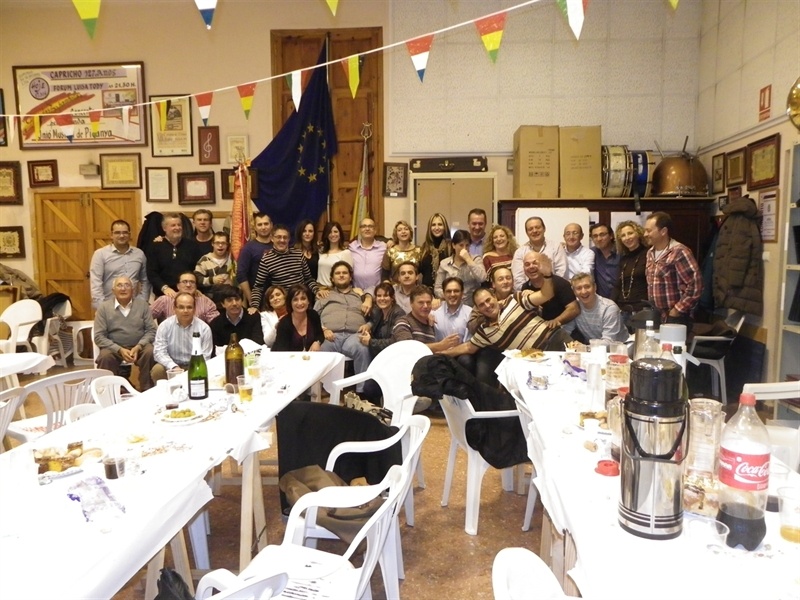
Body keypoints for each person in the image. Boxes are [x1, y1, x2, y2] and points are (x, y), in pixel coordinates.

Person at [441, 283, 573, 382]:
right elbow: (468, 347)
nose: (487, 305)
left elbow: (545, 295)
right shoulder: (484, 330)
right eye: (481, 305)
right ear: (478, 309)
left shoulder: (514, 300)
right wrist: (441, 353)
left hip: (556, 341)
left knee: (580, 374)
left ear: (494, 297)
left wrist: (547, 275)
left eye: (488, 300)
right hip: (534, 361)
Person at [316, 261, 373, 390]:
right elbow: (313, 317)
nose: (341, 275)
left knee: (363, 349)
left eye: (344, 273)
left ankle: (363, 393)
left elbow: (375, 318)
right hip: (330, 336)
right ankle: (319, 392)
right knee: (318, 350)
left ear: (350, 277)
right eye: (337, 273)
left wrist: (368, 325)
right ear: (332, 278)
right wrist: (323, 329)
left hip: (354, 336)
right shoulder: (325, 296)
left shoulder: (360, 296)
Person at [94, 276, 156, 391]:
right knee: (105, 357)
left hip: (139, 346)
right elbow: (99, 336)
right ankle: (109, 391)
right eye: (119, 285)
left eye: (127, 285)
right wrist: (119, 349)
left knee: (150, 352)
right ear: (113, 290)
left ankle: (147, 389)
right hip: (114, 348)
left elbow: (151, 330)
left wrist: (139, 346)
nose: (123, 288)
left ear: (133, 289)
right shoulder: (104, 308)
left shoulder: (143, 305)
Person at [644, 211, 702, 326]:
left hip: (676, 318)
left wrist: (677, 310)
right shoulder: (650, 253)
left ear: (663, 231)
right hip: (657, 316)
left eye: (649, 231)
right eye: (645, 230)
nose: (645, 234)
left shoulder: (679, 252)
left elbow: (696, 285)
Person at [249, 224, 319, 312]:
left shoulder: (298, 254)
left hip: (301, 301)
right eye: (278, 237)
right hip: (282, 306)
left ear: (289, 239)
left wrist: (317, 291)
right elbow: (258, 287)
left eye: (285, 237)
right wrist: (254, 306)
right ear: (272, 238)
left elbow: (309, 279)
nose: (282, 240)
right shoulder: (267, 259)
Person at [152, 291, 213, 382]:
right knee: (157, 370)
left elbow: (205, 356)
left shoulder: (204, 328)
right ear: (174, 308)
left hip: (194, 365)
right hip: (172, 365)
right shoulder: (165, 326)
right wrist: (173, 366)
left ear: (194, 309)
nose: (185, 311)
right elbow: (159, 352)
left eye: (189, 307)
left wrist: (192, 369)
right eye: (181, 307)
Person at [89, 219, 150, 309]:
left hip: (133, 306)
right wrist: (102, 307)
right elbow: (96, 282)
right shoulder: (100, 254)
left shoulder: (139, 254)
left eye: (125, 233)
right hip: (109, 305)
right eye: (117, 233)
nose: (121, 236)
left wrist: (142, 301)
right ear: (111, 235)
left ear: (129, 235)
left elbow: (146, 280)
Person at [146, 212, 203, 298]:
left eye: (179, 225)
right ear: (164, 228)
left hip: (189, 294)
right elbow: (151, 273)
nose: (177, 228)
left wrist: (196, 287)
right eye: (173, 225)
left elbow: (198, 271)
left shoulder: (192, 246)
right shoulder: (155, 247)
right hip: (163, 295)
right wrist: (164, 288)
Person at [391, 285, 460, 353]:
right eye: (421, 302)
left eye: (428, 302)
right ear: (411, 303)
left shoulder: (432, 323)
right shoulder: (403, 323)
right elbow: (407, 348)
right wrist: (440, 345)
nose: (425, 306)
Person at [563, 273, 628, 344]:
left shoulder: (609, 308)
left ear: (595, 287)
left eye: (587, 287)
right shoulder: (576, 308)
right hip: (593, 348)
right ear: (573, 291)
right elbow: (565, 333)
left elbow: (609, 342)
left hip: (621, 348)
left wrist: (583, 346)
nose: (583, 291)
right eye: (579, 288)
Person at [521, 251, 579, 330]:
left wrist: (555, 321)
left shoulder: (560, 283)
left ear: (543, 265)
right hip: (538, 331)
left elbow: (574, 309)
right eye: (527, 264)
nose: (531, 267)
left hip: (563, 329)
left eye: (535, 263)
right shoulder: (525, 288)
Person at [511, 216, 567, 288]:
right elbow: (518, 279)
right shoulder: (520, 252)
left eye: (537, 227)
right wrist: (526, 292)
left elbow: (561, 272)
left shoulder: (556, 247)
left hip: (554, 290)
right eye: (530, 229)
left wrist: (548, 290)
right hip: (528, 292)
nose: (534, 231)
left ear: (544, 229)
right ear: (527, 233)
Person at [434, 229, 486, 306]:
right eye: (461, 245)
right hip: (451, 305)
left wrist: (468, 260)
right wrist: (450, 295)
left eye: (467, 245)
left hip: (472, 305)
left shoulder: (476, 259)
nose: (464, 249)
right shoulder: (444, 263)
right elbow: (437, 288)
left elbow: (482, 278)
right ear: (453, 245)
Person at [612, 220, 649, 317]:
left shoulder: (648, 254)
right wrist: (610, 305)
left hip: (642, 310)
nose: (627, 238)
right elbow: (618, 285)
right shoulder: (623, 259)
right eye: (623, 235)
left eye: (630, 233)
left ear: (638, 234)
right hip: (622, 310)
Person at [150, 271, 219, 324]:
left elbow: (217, 324)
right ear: (178, 286)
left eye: (192, 282)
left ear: (196, 286)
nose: (188, 285)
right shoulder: (165, 300)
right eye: (184, 282)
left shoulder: (206, 302)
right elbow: (146, 317)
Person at [358, 281, 406, 358]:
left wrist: (370, 342)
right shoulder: (378, 310)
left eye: (386, 295)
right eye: (379, 296)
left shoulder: (399, 314)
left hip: (393, 355)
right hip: (379, 352)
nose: (382, 299)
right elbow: (373, 321)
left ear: (392, 298)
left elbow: (396, 341)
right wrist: (368, 325)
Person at [236, 212, 274, 307]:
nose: (263, 227)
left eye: (266, 224)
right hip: (258, 297)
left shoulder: (278, 245)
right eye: (260, 225)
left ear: (271, 225)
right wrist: (250, 299)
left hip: (277, 296)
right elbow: (241, 275)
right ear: (255, 227)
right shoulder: (248, 248)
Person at [273, 284, 324, 352]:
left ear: (308, 301)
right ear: (290, 302)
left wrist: (317, 342)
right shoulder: (284, 323)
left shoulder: (313, 315)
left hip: (311, 357)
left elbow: (320, 335)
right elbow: (281, 350)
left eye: (303, 298)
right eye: (295, 300)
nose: (299, 303)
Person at [348, 217, 387, 296]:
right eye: (364, 226)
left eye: (370, 226)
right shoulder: (351, 247)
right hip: (356, 293)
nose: (367, 229)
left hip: (377, 294)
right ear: (359, 230)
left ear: (375, 230)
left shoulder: (383, 247)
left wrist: (390, 241)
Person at [194, 231, 236, 299]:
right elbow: (196, 279)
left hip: (230, 298)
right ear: (212, 244)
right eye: (217, 243)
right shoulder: (205, 260)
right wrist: (212, 280)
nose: (220, 245)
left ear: (227, 245)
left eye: (223, 243)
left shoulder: (232, 259)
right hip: (210, 298)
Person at [431, 277, 472, 343]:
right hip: (438, 349)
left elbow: (470, 343)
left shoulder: (470, 313)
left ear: (462, 293)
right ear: (443, 294)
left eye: (456, 291)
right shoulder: (434, 312)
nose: (452, 294)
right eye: (448, 291)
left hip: (463, 349)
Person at [417, 213, 452, 288]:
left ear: (445, 227)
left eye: (440, 224)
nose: (436, 228)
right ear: (429, 228)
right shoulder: (424, 248)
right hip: (427, 291)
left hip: (447, 290)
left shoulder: (451, 247)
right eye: (433, 225)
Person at [317, 221, 353, 288]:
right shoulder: (321, 251)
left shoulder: (346, 253)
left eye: (335, 232)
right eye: (330, 232)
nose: (333, 234)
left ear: (340, 234)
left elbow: (348, 276)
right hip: (320, 288)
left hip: (336, 290)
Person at [589, 223, 619, 300]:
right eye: (595, 236)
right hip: (601, 301)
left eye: (602, 235)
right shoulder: (591, 253)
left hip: (622, 299)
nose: (599, 239)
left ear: (611, 235)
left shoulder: (621, 252)